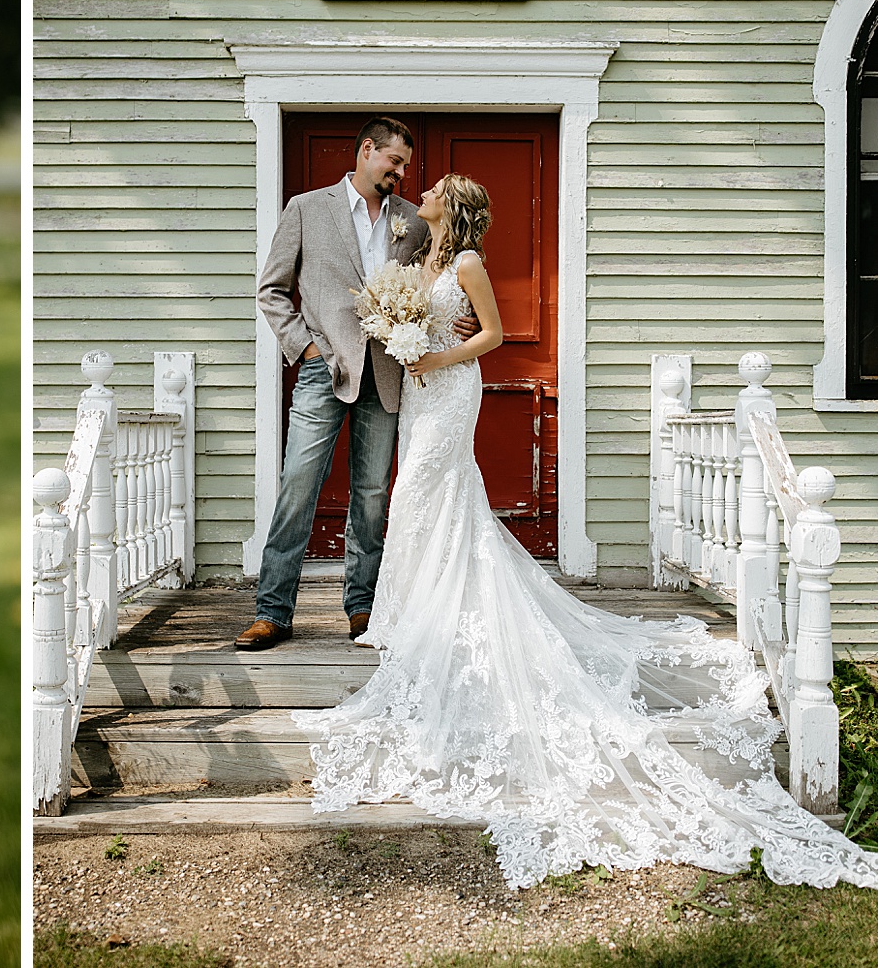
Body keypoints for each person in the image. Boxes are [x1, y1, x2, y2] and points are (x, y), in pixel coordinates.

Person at [296, 173, 878, 889]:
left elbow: (495, 335)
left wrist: (434, 356)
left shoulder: (470, 265)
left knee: (424, 491)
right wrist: (398, 331)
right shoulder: (422, 261)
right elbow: (403, 310)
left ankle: (425, 609)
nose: (428, 194)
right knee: (420, 499)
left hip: (450, 392)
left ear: (459, 208)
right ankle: (409, 610)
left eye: (440, 190)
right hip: (420, 398)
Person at [243, 117, 448, 650]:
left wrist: (459, 319)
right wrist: (305, 348)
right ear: (365, 151)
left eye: (404, 166)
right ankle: (273, 611)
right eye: (394, 162)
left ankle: (364, 607)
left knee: (373, 494)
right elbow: (271, 290)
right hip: (322, 369)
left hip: (386, 373)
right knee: (298, 486)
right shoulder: (306, 209)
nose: (401, 174)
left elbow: (439, 284)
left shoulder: (413, 224)